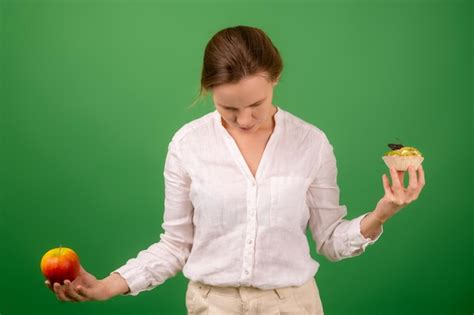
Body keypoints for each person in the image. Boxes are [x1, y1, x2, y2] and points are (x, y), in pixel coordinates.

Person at [45, 25, 426, 314]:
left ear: (275, 79)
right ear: (209, 89)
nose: (244, 120)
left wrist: (381, 213)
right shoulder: (188, 144)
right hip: (212, 306)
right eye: (228, 108)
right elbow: (175, 246)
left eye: (256, 105)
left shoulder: (311, 143)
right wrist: (108, 286)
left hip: (292, 305)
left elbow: (329, 241)